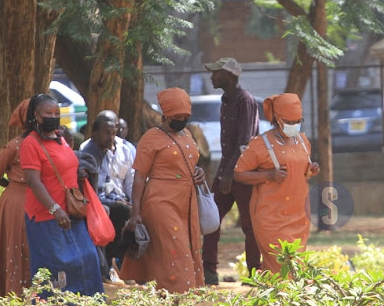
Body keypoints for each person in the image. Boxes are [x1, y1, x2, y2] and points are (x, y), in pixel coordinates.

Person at [122, 88, 206, 292]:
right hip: (161, 201)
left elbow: (189, 163)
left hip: (186, 202)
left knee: (186, 246)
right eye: (177, 117)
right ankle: (176, 297)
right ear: (165, 115)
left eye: (185, 116)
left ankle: (180, 296)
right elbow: (140, 177)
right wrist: (136, 213)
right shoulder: (151, 137)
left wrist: (199, 173)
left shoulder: (186, 134)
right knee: (173, 250)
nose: (182, 120)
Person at [19, 94, 103, 296]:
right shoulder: (30, 144)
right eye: (48, 113)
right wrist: (55, 209)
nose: (53, 117)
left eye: (57, 113)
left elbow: (67, 166)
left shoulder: (60, 138)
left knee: (88, 258)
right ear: (35, 116)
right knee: (56, 266)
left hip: (73, 210)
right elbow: (33, 181)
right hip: (47, 216)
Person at [234, 93, 320, 273]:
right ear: (277, 119)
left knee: (295, 269)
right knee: (279, 267)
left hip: (299, 218)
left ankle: (272, 301)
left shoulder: (303, 141)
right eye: (290, 121)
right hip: (271, 218)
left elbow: (301, 173)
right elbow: (239, 174)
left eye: (298, 120)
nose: (294, 125)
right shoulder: (260, 144)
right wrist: (269, 175)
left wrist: (311, 169)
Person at [202, 57, 261, 285]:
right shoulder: (225, 100)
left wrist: (229, 173)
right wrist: (224, 172)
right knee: (211, 220)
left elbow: (245, 141)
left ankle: (255, 275)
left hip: (243, 174)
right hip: (226, 171)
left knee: (249, 226)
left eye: (216, 72)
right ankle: (209, 273)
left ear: (230, 76)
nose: (212, 76)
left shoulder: (244, 100)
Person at [81, 113, 135, 282]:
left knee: (133, 212)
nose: (111, 137)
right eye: (107, 133)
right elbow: (93, 192)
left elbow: (106, 184)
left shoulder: (105, 151)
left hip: (102, 200)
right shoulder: (89, 153)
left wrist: (117, 198)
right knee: (121, 212)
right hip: (88, 201)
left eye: (113, 132)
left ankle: (124, 267)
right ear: (95, 134)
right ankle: (108, 267)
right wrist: (114, 202)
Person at [0, 99, 31, 297]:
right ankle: (13, 293)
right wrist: (14, 186)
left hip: (39, 200)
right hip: (17, 203)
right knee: (18, 243)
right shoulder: (14, 146)